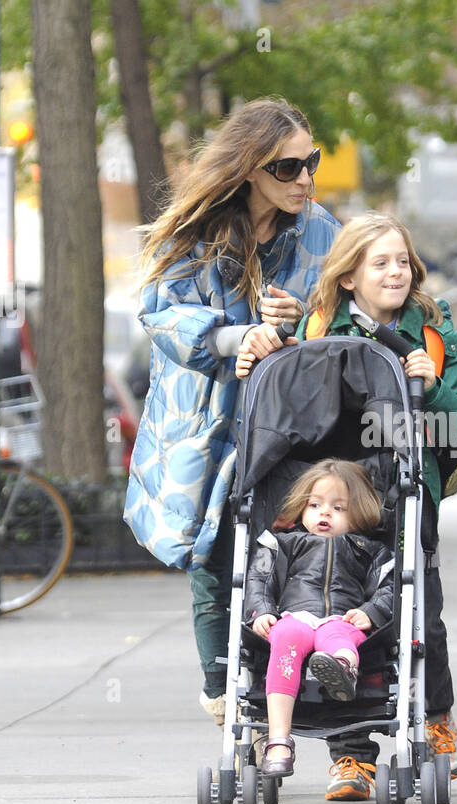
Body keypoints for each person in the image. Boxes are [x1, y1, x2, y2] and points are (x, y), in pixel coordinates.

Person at [239, 211, 457, 800]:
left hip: (400, 490)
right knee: (330, 607)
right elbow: (289, 408)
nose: (396, 272)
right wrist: (258, 357)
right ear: (348, 276)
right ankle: (353, 756)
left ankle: (438, 712)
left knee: (421, 613)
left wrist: (435, 385)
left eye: (402, 261)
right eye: (381, 263)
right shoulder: (320, 328)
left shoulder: (435, 331)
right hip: (330, 494)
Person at [124, 98, 340, 729]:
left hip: (291, 417)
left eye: (312, 162)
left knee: (294, 546)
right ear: (248, 169)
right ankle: (222, 689)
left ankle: (306, 684)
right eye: (289, 167)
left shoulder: (321, 231)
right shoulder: (194, 233)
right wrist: (236, 336)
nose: (306, 178)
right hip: (207, 415)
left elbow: (341, 309)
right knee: (212, 552)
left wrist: (296, 319)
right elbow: (161, 313)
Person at [245, 460, 395, 778]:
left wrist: (372, 612)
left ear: (359, 513)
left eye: (338, 508)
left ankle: (341, 669)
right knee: (284, 639)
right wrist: (261, 611)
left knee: (339, 638)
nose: (324, 513)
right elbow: (258, 581)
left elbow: (391, 589)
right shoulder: (283, 545)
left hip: (343, 618)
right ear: (301, 507)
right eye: (315, 505)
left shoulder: (369, 551)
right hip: (293, 617)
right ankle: (278, 741)